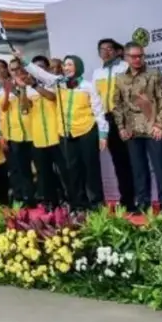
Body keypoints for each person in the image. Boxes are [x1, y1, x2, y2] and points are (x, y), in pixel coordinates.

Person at [20, 50, 107, 211]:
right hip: (66, 133)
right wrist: (23, 60)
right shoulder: (58, 83)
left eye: (70, 64)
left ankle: (97, 204)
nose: (66, 68)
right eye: (65, 65)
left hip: (87, 131)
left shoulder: (88, 86)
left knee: (91, 169)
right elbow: (41, 74)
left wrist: (103, 135)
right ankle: (79, 205)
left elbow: (98, 111)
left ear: (78, 67)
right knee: (72, 170)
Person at [111, 41, 162, 214]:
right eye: (133, 56)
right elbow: (117, 105)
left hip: (153, 128)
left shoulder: (154, 74)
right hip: (132, 131)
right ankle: (143, 203)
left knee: (160, 168)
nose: (137, 59)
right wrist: (121, 127)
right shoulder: (120, 79)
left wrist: (160, 124)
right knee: (139, 170)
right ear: (126, 57)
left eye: (140, 56)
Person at [18, 56, 69, 210]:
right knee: (44, 173)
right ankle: (51, 202)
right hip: (39, 137)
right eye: (34, 67)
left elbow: (52, 97)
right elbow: (24, 108)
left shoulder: (55, 82)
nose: (37, 70)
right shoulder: (28, 87)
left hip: (57, 134)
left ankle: (71, 201)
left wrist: (34, 85)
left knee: (65, 171)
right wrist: (22, 89)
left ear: (47, 68)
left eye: (41, 67)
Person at [91, 38, 135, 211]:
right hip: (106, 119)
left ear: (117, 51)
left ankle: (136, 200)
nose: (106, 52)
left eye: (109, 48)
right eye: (102, 49)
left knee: (131, 160)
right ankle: (125, 200)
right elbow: (95, 99)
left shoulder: (125, 67)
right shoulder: (97, 73)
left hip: (125, 118)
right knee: (118, 161)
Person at [0, 59, 34, 206]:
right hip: (8, 134)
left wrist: (14, 89)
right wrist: (0, 135)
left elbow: (27, 106)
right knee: (15, 169)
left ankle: (33, 197)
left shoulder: (20, 84)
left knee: (30, 168)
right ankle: (20, 198)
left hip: (27, 131)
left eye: (2, 67)